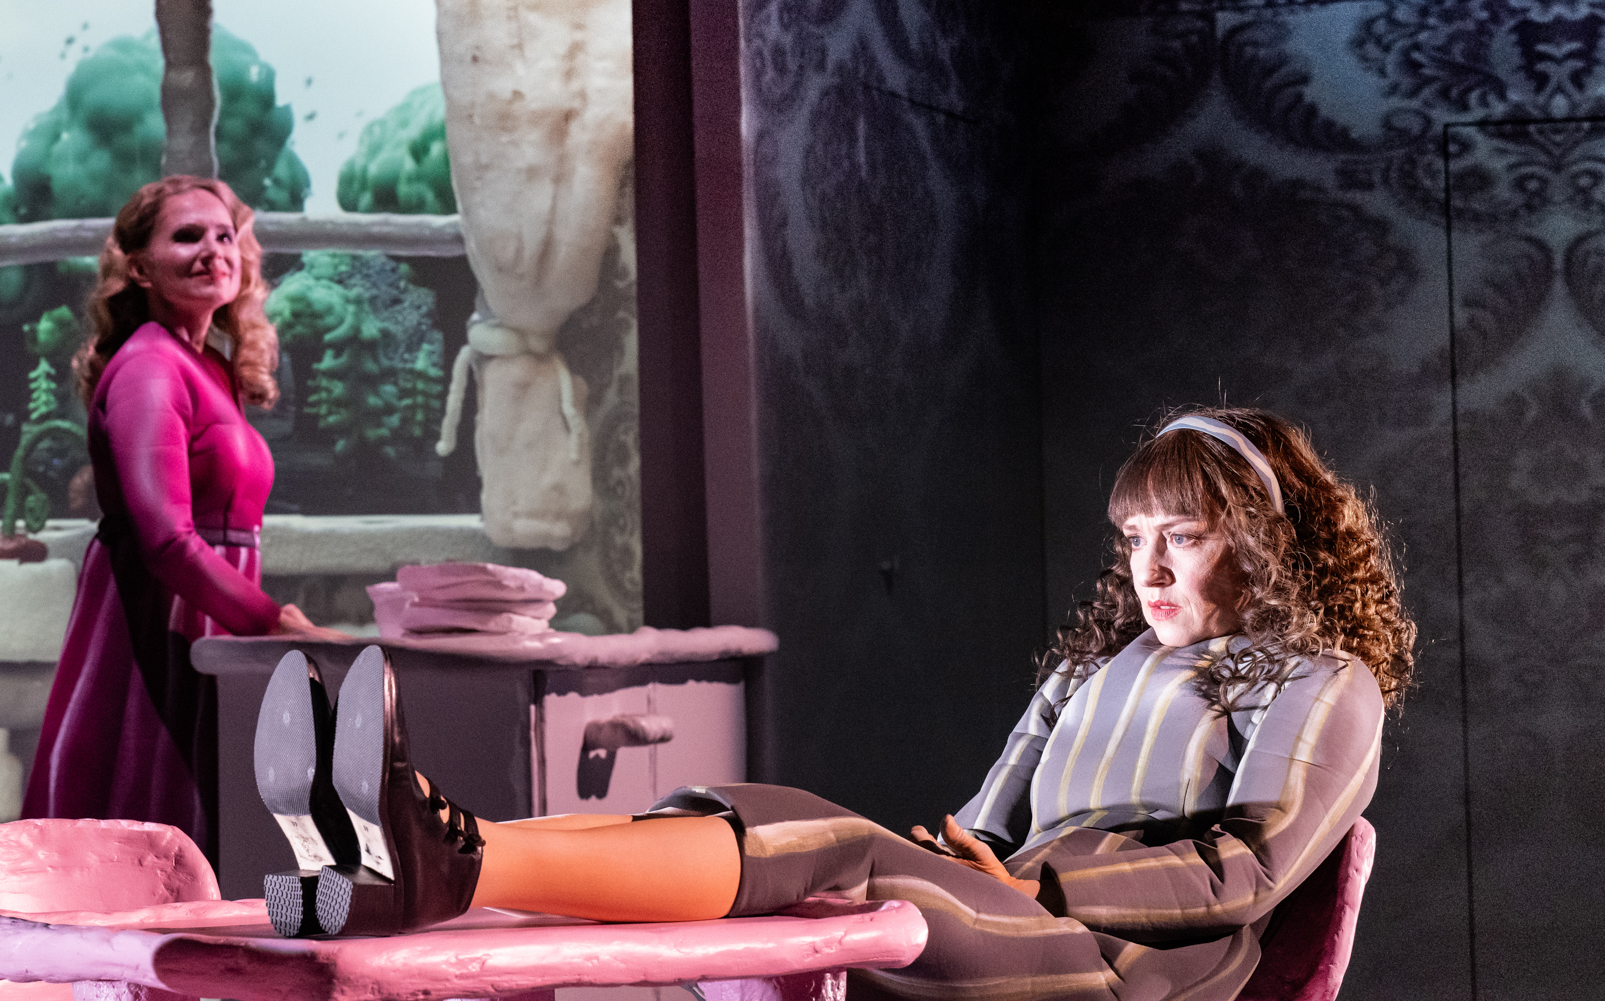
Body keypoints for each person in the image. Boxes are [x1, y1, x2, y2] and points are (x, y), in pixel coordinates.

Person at [276, 407, 1415, 1001]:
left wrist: (1036, 880)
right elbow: (986, 826)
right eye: (1133, 538)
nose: (1149, 569)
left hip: (1131, 970)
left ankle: (444, 862)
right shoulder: (1086, 673)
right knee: (761, 819)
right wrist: (973, 858)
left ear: (1264, 542)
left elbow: (1244, 867)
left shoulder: (1321, 682)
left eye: (1185, 536)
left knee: (840, 852)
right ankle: (417, 860)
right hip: (1018, 919)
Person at [25, 175, 334, 853]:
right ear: (139, 267)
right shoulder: (149, 365)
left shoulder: (208, 366)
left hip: (203, 621)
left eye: (224, 235)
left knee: (207, 829)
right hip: (158, 625)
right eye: (188, 236)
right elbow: (165, 540)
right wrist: (272, 621)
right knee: (153, 827)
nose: (213, 250)